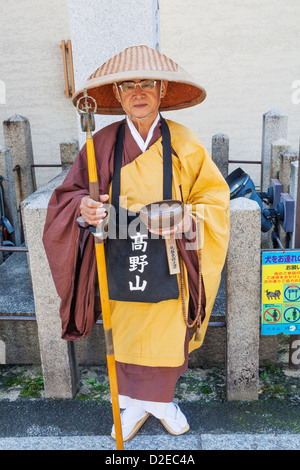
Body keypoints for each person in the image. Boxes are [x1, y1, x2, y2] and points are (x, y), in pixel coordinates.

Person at [43, 45, 230, 442]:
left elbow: (214, 199)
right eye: (129, 85)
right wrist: (85, 208)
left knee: (166, 331)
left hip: (170, 259)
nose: (139, 92)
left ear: (162, 91)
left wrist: (186, 217)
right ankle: (131, 405)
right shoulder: (101, 144)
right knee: (124, 331)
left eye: (148, 83)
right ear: (119, 94)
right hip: (117, 258)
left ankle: (162, 403)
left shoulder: (184, 142)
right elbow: (68, 197)